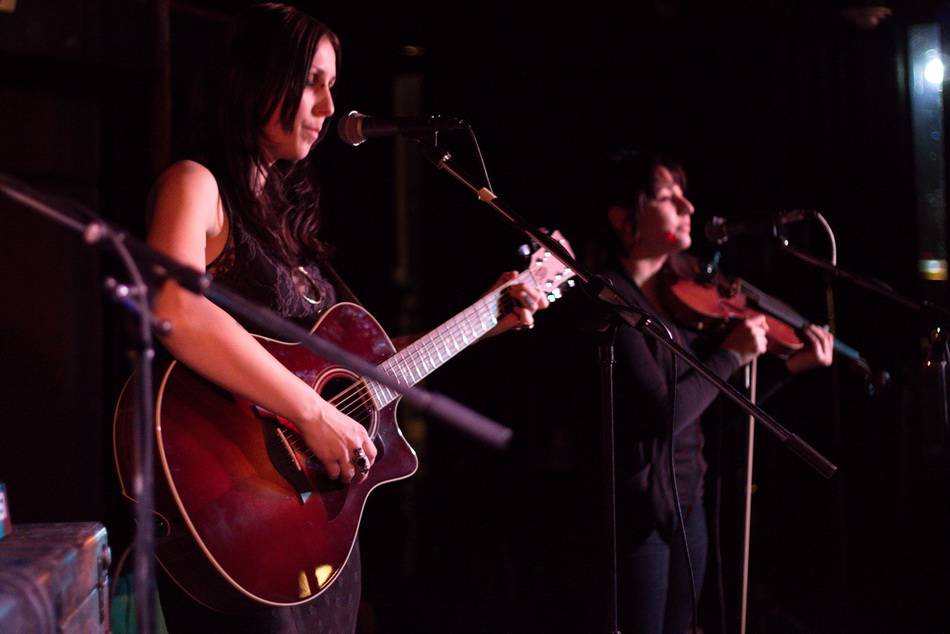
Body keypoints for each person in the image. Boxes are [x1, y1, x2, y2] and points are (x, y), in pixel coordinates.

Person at [142, 3, 548, 632]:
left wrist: (486, 318)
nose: (330, 108)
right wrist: (312, 413)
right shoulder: (196, 184)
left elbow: (362, 375)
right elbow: (174, 306)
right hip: (242, 515)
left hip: (316, 533)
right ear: (255, 76)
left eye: (333, 86)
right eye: (312, 81)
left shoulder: (287, 221)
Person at [597, 151, 834, 634]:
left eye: (683, 193)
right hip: (638, 519)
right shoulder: (609, 301)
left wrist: (788, 366)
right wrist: (729, 354)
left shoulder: (681, 296)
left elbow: (713, 408)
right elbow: (663, 413)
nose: (688, 205)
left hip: (689, 503)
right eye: (666, 196)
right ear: (624, 219)